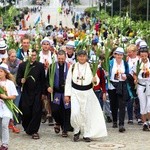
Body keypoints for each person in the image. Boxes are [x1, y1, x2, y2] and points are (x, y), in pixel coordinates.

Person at [64, 50, 107, 142]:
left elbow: (97, 81)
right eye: (80, 56)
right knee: (75, 113)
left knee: (87, 114)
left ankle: (86, 134)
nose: (82, 58)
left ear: (86, 57)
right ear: (77, 57)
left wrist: (95, 80)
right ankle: (76, 131)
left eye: (84, 56)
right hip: (75, 92)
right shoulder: (73, 66)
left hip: (88, 92)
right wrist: (67, 94)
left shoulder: (91, 67)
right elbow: (68, 81)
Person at [16, 50, 45, 139]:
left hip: (37, 92)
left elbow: (43, 80)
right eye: (31, 55)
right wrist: (21, 81)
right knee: (26, 111)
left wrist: (43, 93)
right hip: (26, 92)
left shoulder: (40, 66)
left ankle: (34, 131)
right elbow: (18, 78)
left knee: (36, 111)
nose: (33, 57)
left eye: (34, 55)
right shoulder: (22, 65)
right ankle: (27, 127)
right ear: (28, 56)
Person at [47, 50, 72, 137]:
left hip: (66, 92)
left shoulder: (69, 67)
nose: (61, 60)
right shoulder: (52, 66)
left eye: (62, 58)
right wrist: (48, 87)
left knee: (66, 111)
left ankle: (65, 129)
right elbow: (47, 79)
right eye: (59, 58)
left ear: (65, 58)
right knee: (55, 110)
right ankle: (58, 122)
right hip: (56, 92)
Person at [108, 47, 129, 132]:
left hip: (122, 84)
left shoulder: (125, 63)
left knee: (122, 104)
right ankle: (115, 121)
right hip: (113, 84)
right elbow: (107, 71)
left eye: (121, 55)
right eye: (117, 54)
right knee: (113, 104)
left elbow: (127, 73)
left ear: (122, 55)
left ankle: (121, 124)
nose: (119, 56)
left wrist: (126, 76)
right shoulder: (110, 62)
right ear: (115, 55)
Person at [0, 63, 18, 150]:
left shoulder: (10, 83)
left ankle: (5, 144)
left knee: (4, 124)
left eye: (1, 71)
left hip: (7, 108)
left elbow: (14, 96)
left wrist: (6, 97)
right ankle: (2, 140)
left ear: (5, 72)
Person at [133, 45, 150, 131]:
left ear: (148, 55)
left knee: (149, 105)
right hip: (141, 86)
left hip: (149, 85)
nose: (144, 57)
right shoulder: (137, 63)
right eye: (142, 56)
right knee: (142, 105)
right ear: (140, 55)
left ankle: (149, 121)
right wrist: (135, 79)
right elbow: (134, 73)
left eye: (145, 56)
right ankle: (145, 123)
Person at [7, 49, 21, 133]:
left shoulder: (19, 63)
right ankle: (9, 122)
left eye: (15, 56)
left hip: (17, 86)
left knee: (16, 105)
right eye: (12, 56)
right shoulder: (5, 64)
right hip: (8, 87)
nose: (14, 58)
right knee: (9, 105)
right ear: (9, 56)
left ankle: (15, 122)